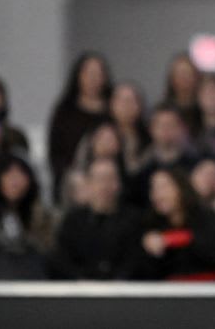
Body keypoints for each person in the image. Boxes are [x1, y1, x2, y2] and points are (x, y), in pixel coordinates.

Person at [49, 158, 142, 280]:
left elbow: (135, 261)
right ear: (88, 184)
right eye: (99, 179)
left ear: (119, 183)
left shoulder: (134, 220)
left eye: (110, 178)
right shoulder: (73, 221)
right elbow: (61, 260)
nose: (105, 185)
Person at [139, 167, 215, 281]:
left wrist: (174, 239)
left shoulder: (209, 220)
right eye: (153, 188)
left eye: (164, 187)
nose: (158, 194)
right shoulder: (151, 227)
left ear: (181, 187)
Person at [0, 155, 55, 279]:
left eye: (20, 175)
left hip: (31, 276)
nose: (14, 181)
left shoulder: (41, 214)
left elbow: (46, 248)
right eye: (9, 175)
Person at [48, 52, 112, 200]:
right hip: (74, 180)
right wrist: (73, 176)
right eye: (88, 73)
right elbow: (56, 152)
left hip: (108, 179)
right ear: (78, 76)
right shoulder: (65, 110)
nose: (93, 79)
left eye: (98, 73)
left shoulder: (112, 109)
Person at [129, 104, 201, 207]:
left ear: (181, 129)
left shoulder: (195, 166)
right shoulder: (142, 172)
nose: (166, 130)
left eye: (171, 125)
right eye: (161, 125)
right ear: (151, 130)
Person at [109, 82, 150, 172]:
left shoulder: (150, 136)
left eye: (131, 101)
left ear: (140, 106)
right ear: (111, 105)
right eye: (122, 101)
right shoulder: (100, 134)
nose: (126, 106)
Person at [161, 53, 202, 128]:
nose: (184, 78)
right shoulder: (163, 111)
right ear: (171, 78)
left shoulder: (205, 110)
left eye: (188, 73)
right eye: (180, 74)